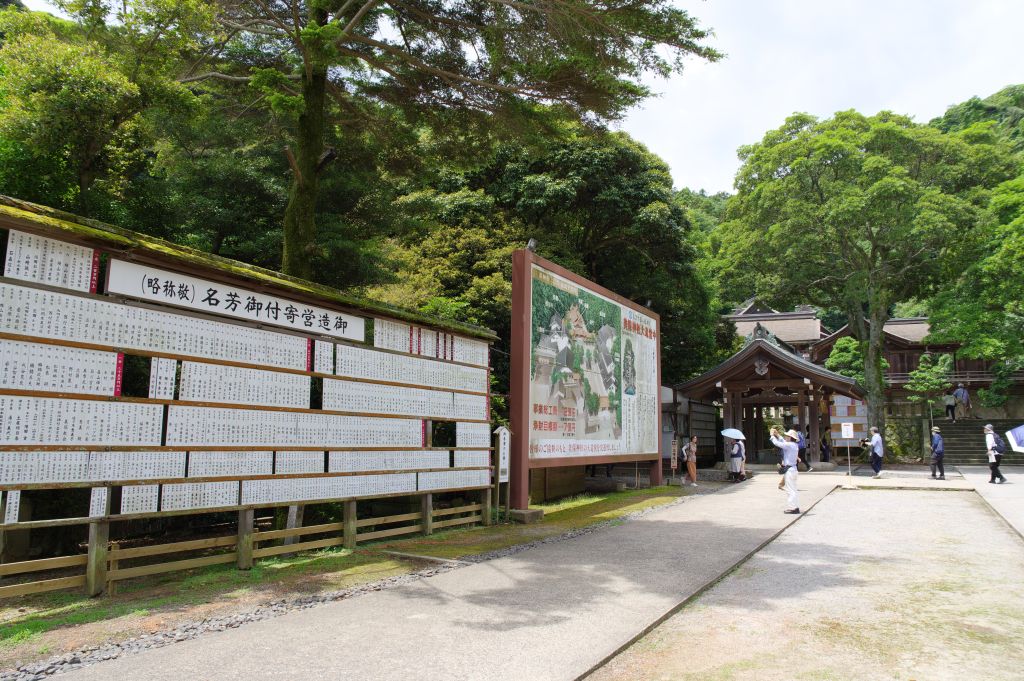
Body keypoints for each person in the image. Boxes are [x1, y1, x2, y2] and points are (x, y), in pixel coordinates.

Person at [770, 427, 800, 514]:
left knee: (790, 490)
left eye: (787, 436)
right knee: (793, 489)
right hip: (793, 469)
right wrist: (777, 434)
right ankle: (795, 506)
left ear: (790, 437)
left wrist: (772, 435)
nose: (786, 437)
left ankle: (793, 508)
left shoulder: (789, 445)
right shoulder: (794, 445)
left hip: (790, 470)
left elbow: (777, 443)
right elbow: (783, 441)